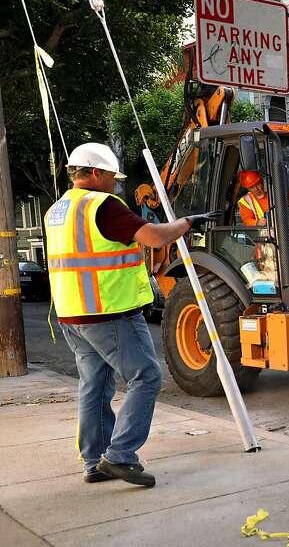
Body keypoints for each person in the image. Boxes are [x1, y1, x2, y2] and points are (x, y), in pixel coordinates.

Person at [46, 143, 211, 487]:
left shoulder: (58, 210)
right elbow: (152, 237)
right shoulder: (103, 206)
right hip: (109, 311)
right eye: (111, 176)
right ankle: (120, 456)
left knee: (95, 385)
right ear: (94, 172)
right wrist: (185, 223)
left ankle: (94, 462)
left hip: (73, 313)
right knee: (147, 376)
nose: (115, 184)